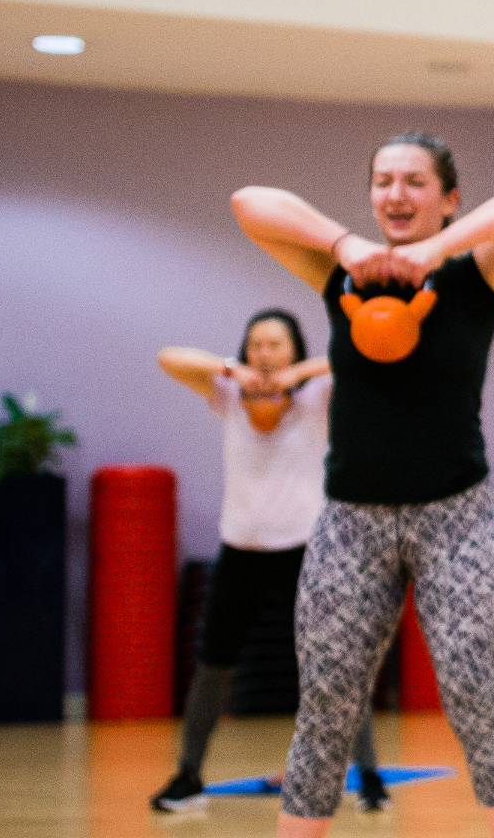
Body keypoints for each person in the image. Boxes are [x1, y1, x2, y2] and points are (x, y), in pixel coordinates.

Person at [229, 132, 494, 837]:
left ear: (449, 199)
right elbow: (248, 204)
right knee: (326, 711)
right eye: (383, 181)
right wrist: (345, 244)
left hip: (457, 521)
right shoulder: (340, 274)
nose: (396, 195)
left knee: (478, 702)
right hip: (353, 525)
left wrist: (434, 253)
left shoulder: (477, 280)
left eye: (414, 181)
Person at [146, 309, 386, 813]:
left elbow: (362, 356)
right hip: (242, 552)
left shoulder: (316, 396)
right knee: (213, 663)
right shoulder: (228, 394)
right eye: (256, 344)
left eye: (276, 344)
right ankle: (188, 777)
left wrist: (300, 375)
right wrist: (234, 371)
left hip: (307, 550)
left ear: (294, 350)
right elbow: (169, 358)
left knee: (338, 665)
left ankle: (367, 777)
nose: (265, 353)